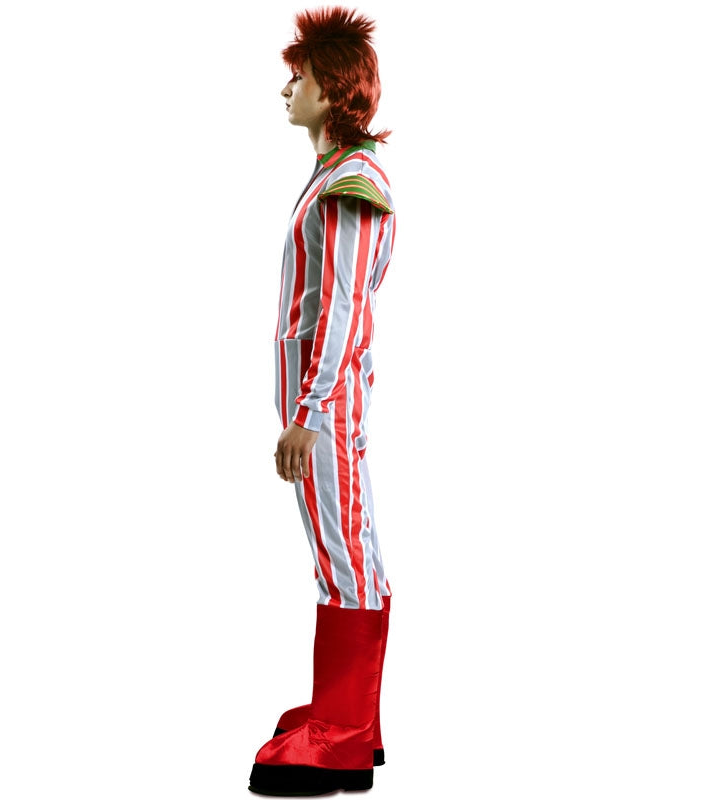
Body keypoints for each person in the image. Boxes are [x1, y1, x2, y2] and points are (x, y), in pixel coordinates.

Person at [248, 7, 396, 796]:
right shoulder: (337, 172)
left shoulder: (349, 181)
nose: (286, 90)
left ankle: (340, 738)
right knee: (347, 551)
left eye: (298, 78)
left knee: (344, 559)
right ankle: (351, 716)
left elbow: (341, 305)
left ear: (333, 89)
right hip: (324, 403)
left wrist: (307, 414)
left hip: (326, 407)